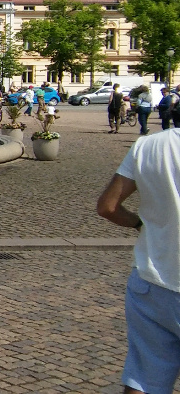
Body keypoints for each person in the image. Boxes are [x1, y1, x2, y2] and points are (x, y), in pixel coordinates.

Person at [97, 129, 180, 394]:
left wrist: (138, 223)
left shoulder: (149, 145)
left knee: (143, 379)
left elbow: (108, 206)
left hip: (151, 280)